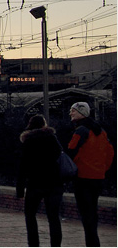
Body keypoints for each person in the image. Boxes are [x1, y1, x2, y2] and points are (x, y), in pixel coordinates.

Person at [66, 101, 114, 247]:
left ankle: (92, 243)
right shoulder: (101, 131)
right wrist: (103, 168)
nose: (70, 113)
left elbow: (71, 150)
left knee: (86, 213)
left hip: (83, 177)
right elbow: (110, 152)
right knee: (92, 210)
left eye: (73, 111)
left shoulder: (81, 131)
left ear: (81, 113)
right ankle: (94, 242)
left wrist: (72, 168)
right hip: (98, 176)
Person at [17, 114, 63, 246]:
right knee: (54, 218)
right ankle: (55, 245)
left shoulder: (28, 141)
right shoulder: (52, 138)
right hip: (54, 183)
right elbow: (60, 156)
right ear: (44, 124)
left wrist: (20, 189)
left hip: (35, 184)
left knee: (30, 216)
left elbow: (23, 166)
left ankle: (34, 244)